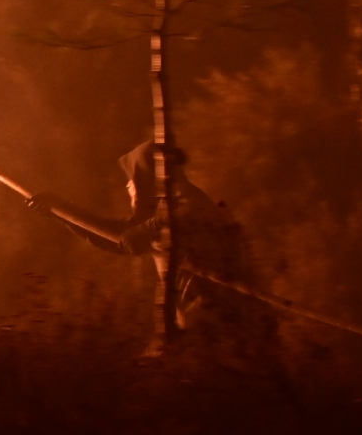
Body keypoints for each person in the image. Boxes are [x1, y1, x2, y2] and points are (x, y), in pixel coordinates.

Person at [27, 141, 275, 356]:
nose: (128, 187)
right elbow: (113, 237)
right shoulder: (158, 217)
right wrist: (60, 210)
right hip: (193, 329)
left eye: (131, 179)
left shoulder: (188, 202)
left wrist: (149, 228)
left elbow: (187, 215)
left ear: (146, 177)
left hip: (221, 327)